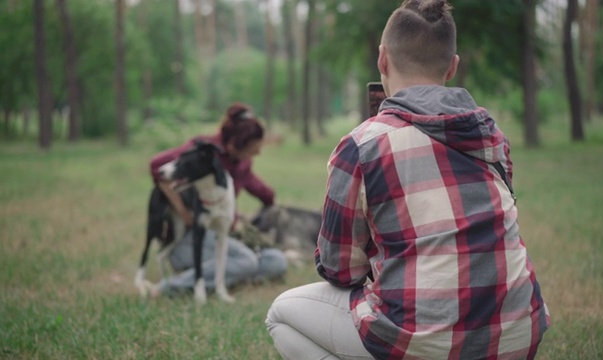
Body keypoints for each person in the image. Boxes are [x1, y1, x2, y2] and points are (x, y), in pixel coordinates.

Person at [265, 1, 550, 359]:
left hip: (421, 342)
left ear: (382, 59)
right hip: (518, 336)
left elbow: (339, 270)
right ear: (452, 66)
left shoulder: (362, 145)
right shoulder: (492, 135)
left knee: (280, 314)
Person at [148, 103, 287, 295]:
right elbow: (157, 166)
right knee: (247, 262)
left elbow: (260, 189)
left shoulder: (241, 164)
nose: (258, 152)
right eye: (254, 148)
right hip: (191, 239)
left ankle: (220, 273)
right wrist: (183, 211)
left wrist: (269, 200)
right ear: (234, 145)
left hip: (219, 237)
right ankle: (172, 287)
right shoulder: (202, 152)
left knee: (277, 260)